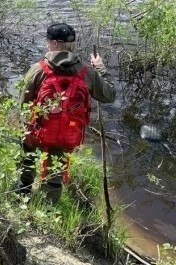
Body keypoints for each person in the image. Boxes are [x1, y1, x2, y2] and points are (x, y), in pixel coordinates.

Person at [17, 22, 116, 203]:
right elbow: (110, 95)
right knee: (54, 173)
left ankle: (23, 195)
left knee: (27, 159)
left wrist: (24, 129)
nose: (47, 44)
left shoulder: (38, 69)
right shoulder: (87, 72)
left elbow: (23, 103)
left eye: (48, 41)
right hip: (67, 132)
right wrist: (100, 68)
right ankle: (48, 211)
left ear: (55, 43)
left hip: (37, 128)